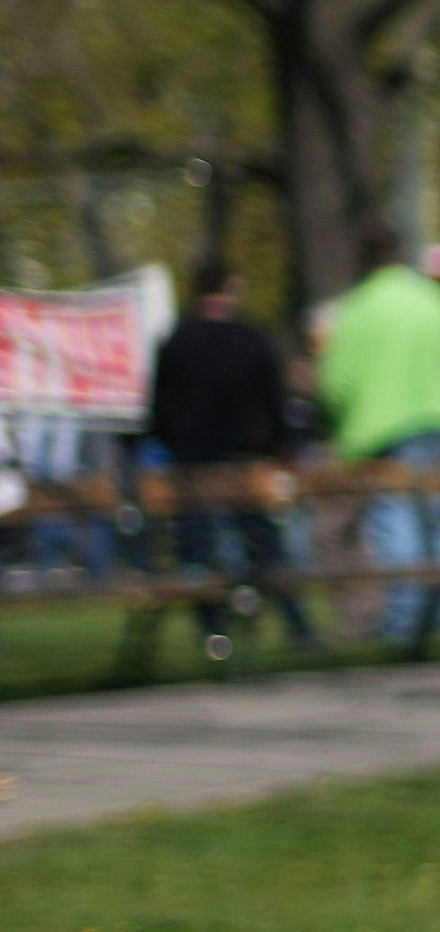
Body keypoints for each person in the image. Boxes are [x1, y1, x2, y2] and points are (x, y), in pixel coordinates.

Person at [313, 220, 440, 649]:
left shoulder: (355, 309)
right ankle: (437, 615)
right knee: (437, 520)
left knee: (396, 521)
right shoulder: (432, 300)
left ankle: (405, 622)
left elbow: (334, 384)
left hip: (378, 428)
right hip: (437, 421)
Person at [144, 260, 316, 661]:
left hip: (193, 462)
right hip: (245, 460)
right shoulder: (251, 339)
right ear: (231, 288)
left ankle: (213, 631)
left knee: (196, 550)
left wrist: (174, 442)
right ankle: (299, 627)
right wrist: (280, 447)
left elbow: (159, 409)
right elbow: (275, 403)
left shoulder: (177, 342)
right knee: (265, 546)